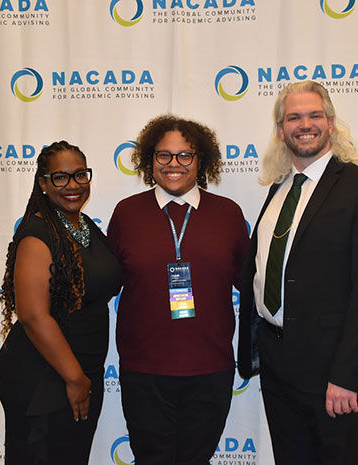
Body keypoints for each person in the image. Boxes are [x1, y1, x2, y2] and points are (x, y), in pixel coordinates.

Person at [238, 81, 358, 465]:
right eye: (294, 117)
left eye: (314, 115)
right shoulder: (278, 189)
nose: (304, 124)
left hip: (330, 371)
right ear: (280, 129)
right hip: (276, 363)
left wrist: (347, 375)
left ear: (331, 123)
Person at [107, 115, 249, 465]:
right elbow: (104, 283)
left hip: (210, 371)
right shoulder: (127, 214)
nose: (174, 164)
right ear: (149, 159)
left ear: (201, 161)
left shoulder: (228, 214)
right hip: (145, 372)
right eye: (163, 155)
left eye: (185, 155)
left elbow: (252, 285)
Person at [0, 141, 122, 465]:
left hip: (81, 368)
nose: (73, 185)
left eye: (80, 175)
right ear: (43, 183)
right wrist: (75, 378)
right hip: (45, 373)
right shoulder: (38, 233)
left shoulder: (85, 225)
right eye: (61, 177)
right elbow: (33, 316)